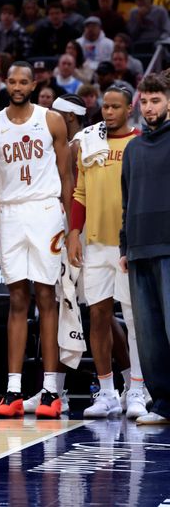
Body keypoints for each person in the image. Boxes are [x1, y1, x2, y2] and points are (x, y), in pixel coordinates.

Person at [0, 61, 74, 420]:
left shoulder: (51, 120)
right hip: (11, 214)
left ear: (34, 85)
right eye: (12, 81)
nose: (17, 86)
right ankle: (14, 390)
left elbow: (67, 176)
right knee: (17, 298)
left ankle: (50, 390)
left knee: (46, 295)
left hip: (47, 210)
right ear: (6, 83)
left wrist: (73, 226)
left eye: (24, 81)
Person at [66, 86, 147, 420]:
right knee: (98, 315)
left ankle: (139, 390)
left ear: (130, 109)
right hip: (96, 243)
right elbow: (80, 192)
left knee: (134, 319)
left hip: (129, 243)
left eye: (116, 107)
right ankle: (107, 391)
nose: (108, 112)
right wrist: (74, 233)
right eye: (105, 106)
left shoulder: (141, 142)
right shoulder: (88, 142)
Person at [120, 73, 170, 426]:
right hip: (138, 247)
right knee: (150, 335)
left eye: (157, 100)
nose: (150, 107)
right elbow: (126, 202)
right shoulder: (133, 148)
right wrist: (125, 245)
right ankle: (164, 404)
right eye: (146, 101)